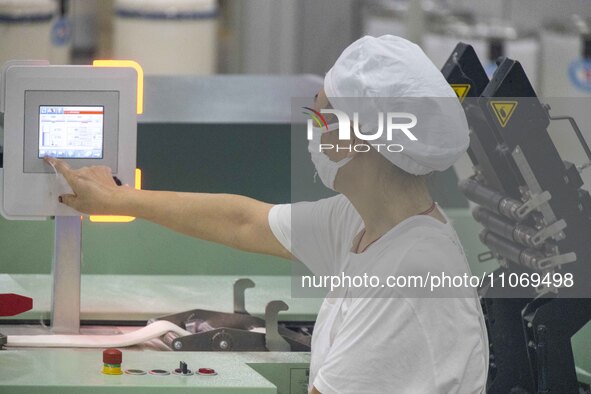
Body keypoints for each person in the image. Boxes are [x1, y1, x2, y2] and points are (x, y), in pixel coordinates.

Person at [45, 35, 488, 394]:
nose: (312, 131)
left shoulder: (409, 274)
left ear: (362, 139)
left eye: (321, 115)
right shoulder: (361, 223)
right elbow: (244, 221)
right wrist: (120, 200)